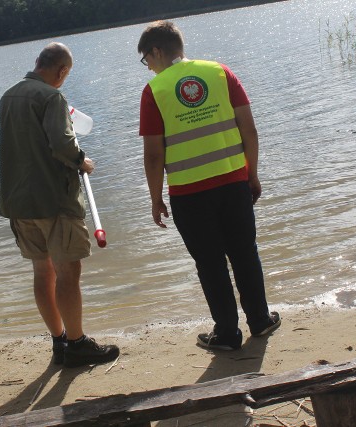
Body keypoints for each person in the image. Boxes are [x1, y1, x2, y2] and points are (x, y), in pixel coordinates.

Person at [137, 21, 280, 350]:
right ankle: (259, 321)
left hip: (189, 194)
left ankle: (228, 335)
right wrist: (252, 174)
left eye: (147, 59)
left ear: (157, 51)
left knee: (210, 263)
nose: (148, 67)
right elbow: (250, 131)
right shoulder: (220, 73)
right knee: (245, 253)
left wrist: (156, 198)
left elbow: (154, 155)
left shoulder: (154, 91)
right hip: (233, 183)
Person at [0, 42, 119, 367]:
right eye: (66, 74)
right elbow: (62, 144)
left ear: (38, 62)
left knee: (42, 270)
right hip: (52, 201)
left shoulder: (8, 96)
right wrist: (82, 162)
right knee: (68, 271)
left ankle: (59, 341)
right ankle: (77, 344)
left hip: (18, 203)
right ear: (61, 71)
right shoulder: (52, 97)